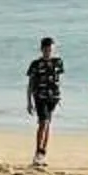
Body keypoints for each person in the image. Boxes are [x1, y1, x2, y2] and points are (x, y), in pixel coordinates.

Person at [26, 36, 65, 166]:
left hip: (53, 98)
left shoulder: (58, 62)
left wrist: (59, 96)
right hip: (40, 97)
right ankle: (37, 152)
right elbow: (30, 84)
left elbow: (59, 80)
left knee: (48, 124)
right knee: (43, 123)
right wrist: (29, 102)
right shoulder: (36, 64)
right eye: (46, 49)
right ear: (42, 50)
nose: (48, 52)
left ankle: (43, 154)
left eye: (51, 49)